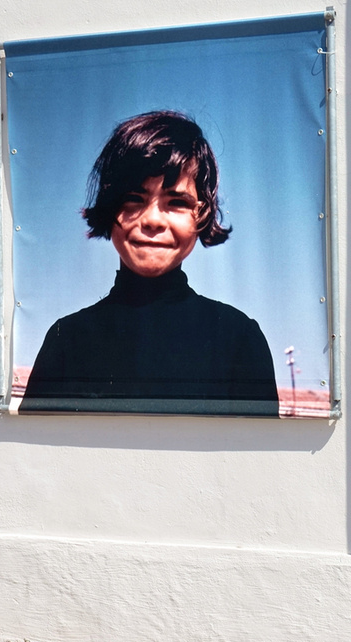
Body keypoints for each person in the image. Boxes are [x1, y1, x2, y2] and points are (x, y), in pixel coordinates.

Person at [20, 110, 280, 416]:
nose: (153, 219)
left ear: (202, 213)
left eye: (177, 202)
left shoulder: (239, 339)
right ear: (108, 206)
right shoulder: (67, 340)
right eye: (134, 198)